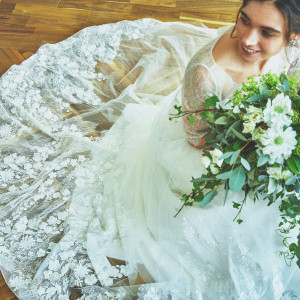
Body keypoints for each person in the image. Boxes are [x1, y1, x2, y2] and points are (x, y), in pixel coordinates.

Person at [0, 0, 299, 299]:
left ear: (292, 36)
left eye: (267, 32)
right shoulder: (204, 73)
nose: (247, 38)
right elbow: (196, 139)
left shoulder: (293, 52)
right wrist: (253, 146)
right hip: (213, 153)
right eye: (244, 20)